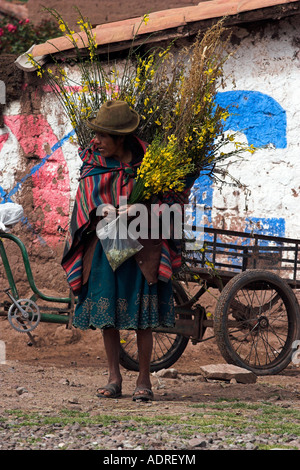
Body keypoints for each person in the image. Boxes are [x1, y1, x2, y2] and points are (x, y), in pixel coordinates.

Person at [61, 100, 194, 401]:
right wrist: (104, 212)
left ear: (120, 138)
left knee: (140, 315)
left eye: (102, 136)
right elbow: (85, 203)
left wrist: (139, 208)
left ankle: (144, 380)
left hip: (142, 248)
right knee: (108, 313)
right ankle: (113, 378)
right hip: (104, 247)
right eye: (94, 135)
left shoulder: (151, 163)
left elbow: (173, 204)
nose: (94, 141)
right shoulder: (93, 163)